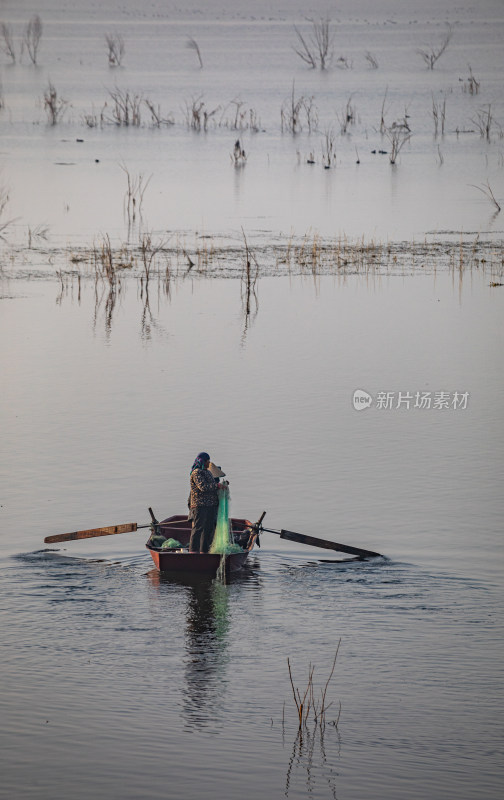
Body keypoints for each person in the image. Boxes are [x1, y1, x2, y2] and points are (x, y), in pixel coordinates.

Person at [188, 452, 219, 553]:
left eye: (209, 461)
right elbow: (203, 487)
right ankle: (193, 551)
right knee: (198, 528)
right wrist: (217, 486)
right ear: (202, 461)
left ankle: (204, 551)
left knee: (208, 529)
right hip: (199, 505)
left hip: (211, 505)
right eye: (207, 461)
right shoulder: (196, 472)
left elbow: (213, 485)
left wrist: (222, 485)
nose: (208, 463)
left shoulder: (208, 472)